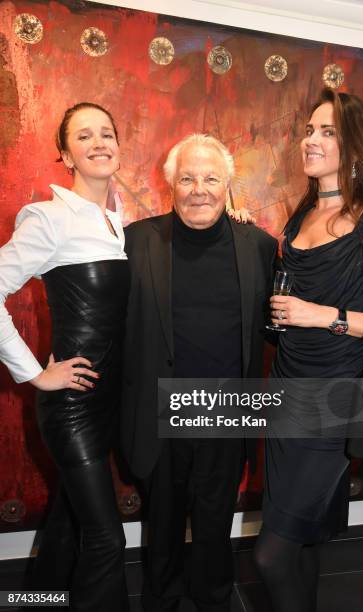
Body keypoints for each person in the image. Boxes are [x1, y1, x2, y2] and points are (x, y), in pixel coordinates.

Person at [253, 88, 363, 611]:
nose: (310, 140)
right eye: (309, 130)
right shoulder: (298, 218)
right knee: (303, 534)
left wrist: (323, 316)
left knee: (270, 555)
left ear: (357, 148)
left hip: (339, 401)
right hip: (286, 393)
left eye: (327, 132)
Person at [121, 133, 277, 611]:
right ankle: (161, 598)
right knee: (162, 521)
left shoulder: (260, 245)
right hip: (159, 405)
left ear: (227, 185)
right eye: (187, 178)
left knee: (214, 522)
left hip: (228, 408)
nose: (199, 189)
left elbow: (275, 323)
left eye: (210, 178)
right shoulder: (137, 239)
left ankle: (213, 598)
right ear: (170, 184)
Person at [0, 102, 130, 611]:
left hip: (106, 402)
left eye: (107, 132)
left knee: (70, 519)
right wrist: (35, 373)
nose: (99, 142)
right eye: (84, 136)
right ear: (65, 153)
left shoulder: (117, 221)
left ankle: (38, 600)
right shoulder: (49, 217)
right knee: (106, 538)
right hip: (71, 406)